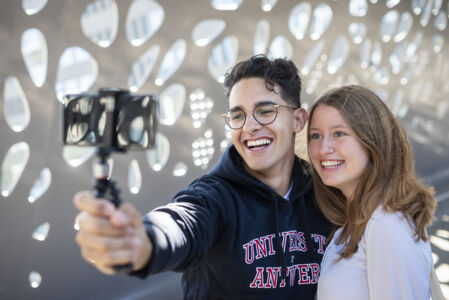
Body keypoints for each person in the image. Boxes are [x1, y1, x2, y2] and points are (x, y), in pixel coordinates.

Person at [73, 55, 330, 299]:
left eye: (265, 111)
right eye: (238, 115)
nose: (249, 126)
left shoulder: (326, 195)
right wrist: (141, 241)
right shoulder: (213, 197)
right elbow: (181, 223)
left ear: (298, 121)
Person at [307, 85, 436, 299]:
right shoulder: (352, 223)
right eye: (315, 135)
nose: (323, 149)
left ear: (373, 141)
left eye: (339, 133)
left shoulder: (386, 225)